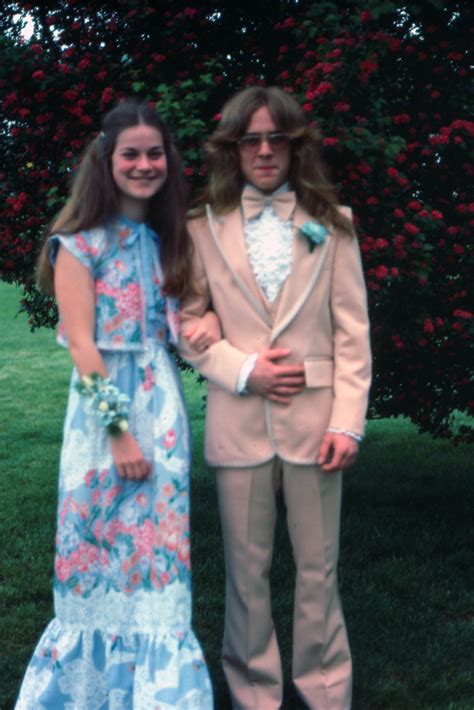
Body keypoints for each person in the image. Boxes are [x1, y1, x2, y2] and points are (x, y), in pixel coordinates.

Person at [15, 99, 216, 709]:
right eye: (131, 153)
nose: (144, 163)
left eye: (155, 153)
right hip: (105, 414)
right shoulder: (77, 244)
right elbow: (82, 342)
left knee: (159, 557)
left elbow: (183, 321)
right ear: (107, 160)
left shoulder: (168, 239)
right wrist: (120, 432)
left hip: (163, 408)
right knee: (97, 551)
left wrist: (202, 325)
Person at [179, 86, 372, 710]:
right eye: (251, 140)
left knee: (319, 571)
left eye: (276, 139)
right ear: (233, 150)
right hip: (238, 425)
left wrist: (348, 423)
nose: (264, 151)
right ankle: (254, 693)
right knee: (246, 577)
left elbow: (352, 333)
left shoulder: (330, 224)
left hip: (318, 428)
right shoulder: (199, 227)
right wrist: (241, 368)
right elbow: (187, 323)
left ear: (295, 146)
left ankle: (324, 690)